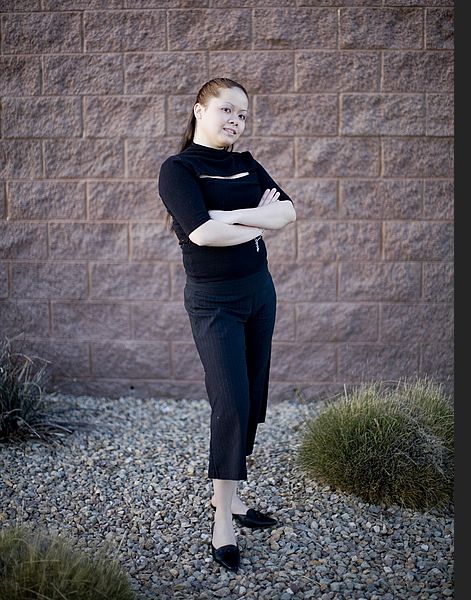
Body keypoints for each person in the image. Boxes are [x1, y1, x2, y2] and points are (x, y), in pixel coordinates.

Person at [157, 77, 296, 571]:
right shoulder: (178, 169)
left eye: (242, 114)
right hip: (214, 302)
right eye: (226, 110)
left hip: (259, 293)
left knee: (253, 394)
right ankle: (222, 518)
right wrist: (254, 218)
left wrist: (227, 218)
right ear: (199, 110)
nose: (236, 121)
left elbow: (289, 212)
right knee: (231, 402)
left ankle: (236, 497)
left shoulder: (245, 162)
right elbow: (200, 232)